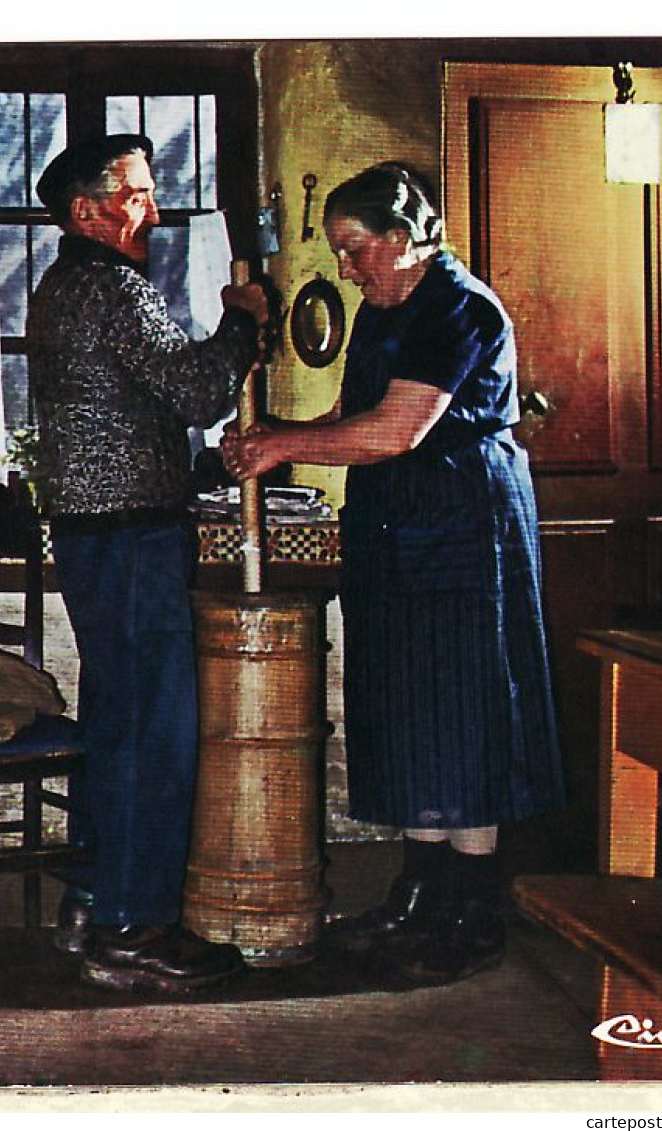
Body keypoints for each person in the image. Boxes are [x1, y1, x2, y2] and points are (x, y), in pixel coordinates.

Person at [221, 161, 565, 985]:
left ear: (406, 239)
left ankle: (470, 912)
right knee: (412, 711)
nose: (344, 267)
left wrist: (281, 446)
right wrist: (278, 430)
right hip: (393, 525)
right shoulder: (382, 308)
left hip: (462, 527)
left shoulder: (460, 308)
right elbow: (352, 417)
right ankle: (419, 895)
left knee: (465, 713)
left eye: (355, 248)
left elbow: (399, 430)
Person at [27, 134, 272, 993]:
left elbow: (125, 414)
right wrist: (245, 317)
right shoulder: (109, 286)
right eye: (136, 194)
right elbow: (200, 390)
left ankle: (98, 902)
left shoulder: (66, 286)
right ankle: (135, 929)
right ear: (87, 211)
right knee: (152, 736)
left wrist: (193, 466)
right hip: (130, 541)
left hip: (103, 534)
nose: (154, 211)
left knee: (118, 725)